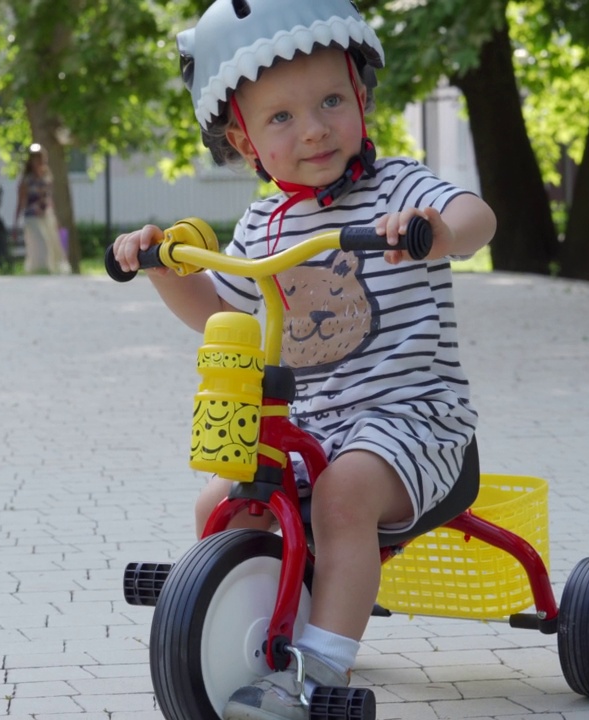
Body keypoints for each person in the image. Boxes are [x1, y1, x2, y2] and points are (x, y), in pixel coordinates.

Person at [111, 1, 498, 718]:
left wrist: (435, 231)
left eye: (329, 101)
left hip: (414, 420)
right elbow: (221, 313)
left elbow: (479, 219)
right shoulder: (265, 221)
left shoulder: (400, 188)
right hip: (316, 425)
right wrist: (164, 268)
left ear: (360, 99)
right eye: (281, 117)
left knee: (342, 496)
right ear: (245, 139)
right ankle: (242, 622)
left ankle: (319, 671)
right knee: (223, 503)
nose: (314, 128)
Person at [12, 144, 68, 274]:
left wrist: (56, 219)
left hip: (47, 216)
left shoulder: (47, 177)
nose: (39, 162)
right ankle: (40, 270)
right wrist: (15, 224)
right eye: (36, 158)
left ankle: (51, 270)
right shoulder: (26, 181)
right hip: (32, 217)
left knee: (54, 244)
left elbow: (49, 199)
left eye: (41, 158)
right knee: (41, 244)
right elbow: (20, 202)